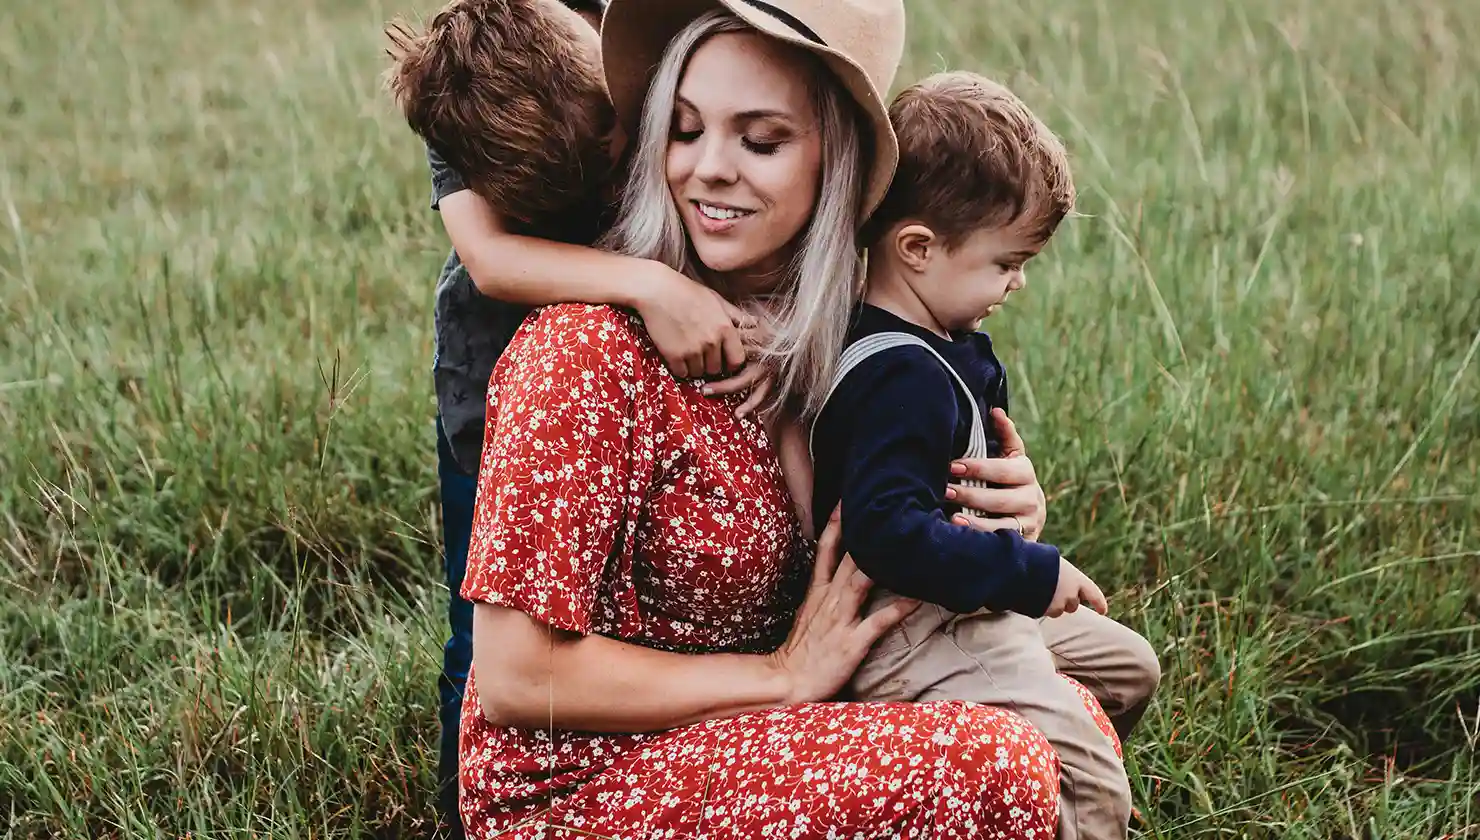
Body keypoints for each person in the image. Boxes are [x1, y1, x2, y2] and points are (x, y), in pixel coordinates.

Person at [452, 0, 1114, 836]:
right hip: (590, 780)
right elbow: (519, 680)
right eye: (685, 130)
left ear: (835, 161)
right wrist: (779, 677)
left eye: (760, 141)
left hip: (749, 737)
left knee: (1071, 710)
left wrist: (994, 513)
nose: (708, 170)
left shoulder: (831, 346)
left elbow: (884, 540)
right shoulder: (584, 348)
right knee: (1001, 764)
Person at [384, 0, 770, 834]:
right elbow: (488, 257)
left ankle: (640, 738)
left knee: (629, 588)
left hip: (639, 377)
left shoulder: (643, 30)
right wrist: (649, 285)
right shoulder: (473, 71)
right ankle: (475, 803)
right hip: (498, 373)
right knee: (484, 620)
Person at [808, 71, 1162, 840]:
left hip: (962, 602)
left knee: (1130, 667)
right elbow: (887, 534)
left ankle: (1037, 808)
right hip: (915, 630)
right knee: (1091, 778)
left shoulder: (938, 345)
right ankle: (1080, 806)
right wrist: (1032, 573)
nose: (1019, 282)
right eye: (1006, 262)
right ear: (918, 248)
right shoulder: (897, 374)